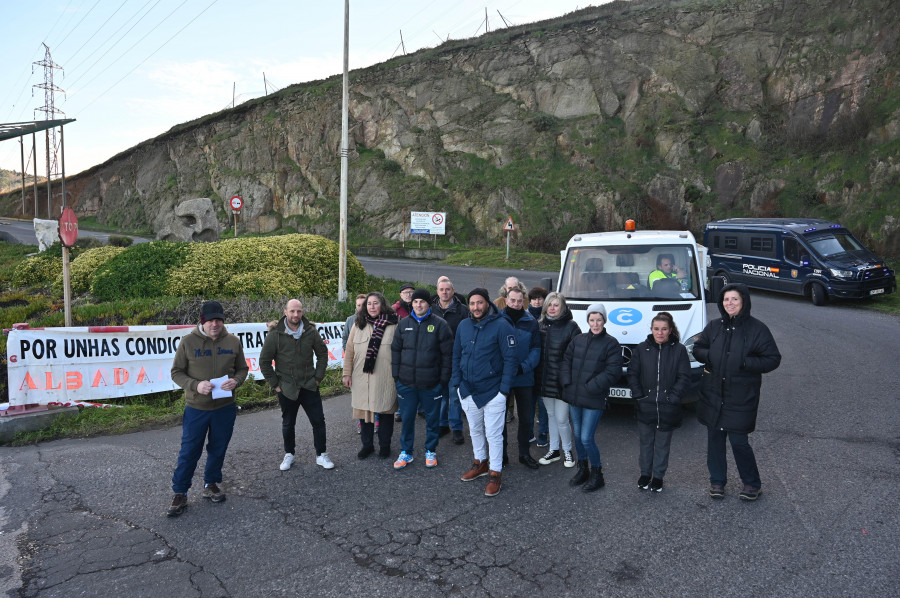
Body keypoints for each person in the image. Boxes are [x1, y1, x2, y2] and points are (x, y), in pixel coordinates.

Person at [693, 283, 781, 501]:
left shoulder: (757, 329)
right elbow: (698, 348)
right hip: (713, 393)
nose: (729, 303)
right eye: (726, 300)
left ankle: (752, 484)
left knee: (739, 442)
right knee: (714, 440)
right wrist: (710, 356)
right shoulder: (713, 327)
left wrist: (744, 362)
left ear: (744, 302)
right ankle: (717, 481)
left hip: (741, 395)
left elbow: (772, 359)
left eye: (734, 299)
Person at [167, 300, 248, 517]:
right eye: (211, 320)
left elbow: (242, 369)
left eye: (219, 320)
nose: (215, 324)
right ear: (202, 321)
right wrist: (196, 385)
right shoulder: (187, 342)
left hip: (225, 407)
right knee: (189, 451)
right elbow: (176, 372)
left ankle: (210, 484)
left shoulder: (233, 342)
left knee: (218, 448)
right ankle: (180, 492)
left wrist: (236, 381)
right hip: (197, 408)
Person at [452, 288, 517, 497]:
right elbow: (455, 356)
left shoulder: (501, 325)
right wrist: (457, 384)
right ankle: (479, 463)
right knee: (475, 431)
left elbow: (510, 360)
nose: (476, 307)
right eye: (472, 303)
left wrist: (504, 392)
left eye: (480, 303)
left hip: (493, 391)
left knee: (494, 434)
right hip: (468, 390)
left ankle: (495, 473)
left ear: (487, 303)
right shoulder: (463, 325)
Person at [259, 299, 333, 472]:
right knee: (288, 423)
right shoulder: (275, 335)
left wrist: (318, 378)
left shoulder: (310, 332)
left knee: (318, 422)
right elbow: (264, 362)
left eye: (299, 311)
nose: (296, 315)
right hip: (286, 387)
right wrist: (276, 385)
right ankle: (289, 454)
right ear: (285, 312)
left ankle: (321, 454)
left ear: (302, 312)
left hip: (309, 385)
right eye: (292, 311)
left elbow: (322, 354)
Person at [626, 312, 691, 492]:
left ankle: (658, 477)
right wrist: (639, 396)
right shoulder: (641, 349)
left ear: (670, 330)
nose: (660, 333)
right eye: (656, 329)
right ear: (651, 329)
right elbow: (632, 374)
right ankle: (645, 474)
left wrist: (673, 398)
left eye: (664, 329)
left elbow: (684, 377)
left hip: (668, 406)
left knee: (662, 445)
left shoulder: (679, 350)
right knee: (646, 443)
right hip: (645, 405)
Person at [560, 302, 621, 493]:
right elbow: (566, 361)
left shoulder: (611, 343)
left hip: (593, 398)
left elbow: (613, 372)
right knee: (577, 436)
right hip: (574, 397)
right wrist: (567, 382)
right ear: (588, 320)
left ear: (604, 321)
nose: (595, 324)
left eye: (599, 320)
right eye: (592, 320)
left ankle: (597, 473)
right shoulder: (578, 340)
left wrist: (590, 387)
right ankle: (583, 469)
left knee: (586, 438)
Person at [390, 288, 454, 469]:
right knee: (407, 419)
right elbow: (395, 351)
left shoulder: (440, 325)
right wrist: (397, 376)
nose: (418, 304)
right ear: (412, 304)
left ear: (428, 304)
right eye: (416, 301)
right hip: (406, 384)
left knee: (432, 419)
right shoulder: (403, 324)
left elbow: (447, 355)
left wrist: (443, 380)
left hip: (431, 384)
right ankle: (406, 452)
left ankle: (430, 450)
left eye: (422, 302)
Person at [343, 292, 399, 459]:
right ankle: (367, 446)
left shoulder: (394, 324)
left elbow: (400, 351)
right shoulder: (357, 324)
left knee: (385, 411)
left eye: (375, 303)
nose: (372, 307)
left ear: (382, 304)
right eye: (369, 304)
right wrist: (346, 373)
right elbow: (350, 351)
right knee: (364, 413)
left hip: (386, 376)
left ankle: (384, 446)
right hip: (361, 377)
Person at [535, 292, 581, 469]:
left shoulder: (571, 327)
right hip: (545, 380)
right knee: (551, 416)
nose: (552, 308)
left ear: (563, 307)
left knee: (562, 418)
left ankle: (567, 450)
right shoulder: (539, 326)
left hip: (562, 382)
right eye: (550, 305)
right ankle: (554, 449)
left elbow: (576, 356)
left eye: (556, 305)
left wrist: (570, 379)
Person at [500, 286, 542, 470]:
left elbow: (536, 350)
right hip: (504, 377)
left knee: (526, 418)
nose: (516, 304)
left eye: (519, 301)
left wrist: (523, 367)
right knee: (499, 418)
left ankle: (524, 453)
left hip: (524, 377)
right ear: (507, 300)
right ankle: (501, 454)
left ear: (523, 301)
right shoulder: (498, 320)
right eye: (513, 300)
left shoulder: (531, 322)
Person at [430, 276, 469, 445]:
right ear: (437, 292)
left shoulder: (463, 311)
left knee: (454, 396)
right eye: (441, 289)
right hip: (436, 360)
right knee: (440, 395)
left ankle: (457, 428)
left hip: (455, 359)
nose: (445, 292)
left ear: (453, 291)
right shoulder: (430, 310)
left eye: (448, 289)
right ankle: (442, 424)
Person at [343, 294, 373, 435]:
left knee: (373, 394)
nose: (361, 307)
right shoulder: (350, 320)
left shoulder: (375, 319)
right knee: (360, 397)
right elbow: (346, 341)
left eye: (363, 304)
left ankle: (376, 419)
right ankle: (362, 422)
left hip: (371, 364)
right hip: (357, 365)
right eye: (358, 305)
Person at [392, 284, 415, 423]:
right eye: (405, 292)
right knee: (400, 381)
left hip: (415, 348)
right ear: (400, 295)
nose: (408, 295)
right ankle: (399, 410)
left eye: (411, 292)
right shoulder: (395, 310)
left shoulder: (419, 306)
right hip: (400, 348)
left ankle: (418, 408)